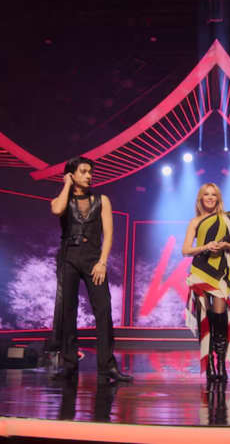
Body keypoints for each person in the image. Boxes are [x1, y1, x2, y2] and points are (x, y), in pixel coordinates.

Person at [50, 156, 132, 382]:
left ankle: (108, 367)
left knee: (103, 310)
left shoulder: (101, 200)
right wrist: (67, 184)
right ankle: (69, 365)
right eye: (83, 171)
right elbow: (57, 210)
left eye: (90, 172)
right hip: (68, 257)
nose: (89, 176)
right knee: (68, 310)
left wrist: (102, 262)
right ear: (72, 174)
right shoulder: (62, 199)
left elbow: (109, 234)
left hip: (93, 258)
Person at [182, 183, 230, 382]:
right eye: (206, 194)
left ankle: (221, 364)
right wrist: (205, 247)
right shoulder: (195, 221)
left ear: (218, 198)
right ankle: (210, 363)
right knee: (205, 319)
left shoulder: (229, 217)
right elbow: (185, 250)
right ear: (200, 198)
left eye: (214, 195)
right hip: (200, 271)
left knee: (220, 316)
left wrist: (226, 244)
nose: (210, 197)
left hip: (221, 273)